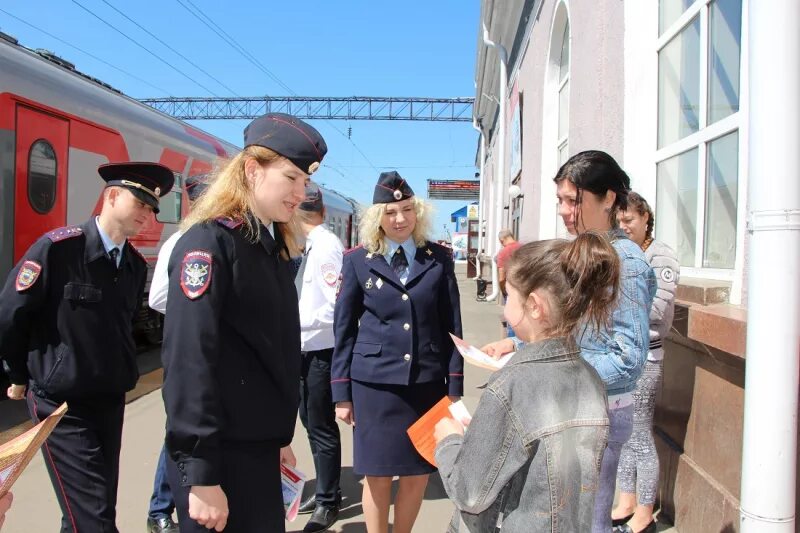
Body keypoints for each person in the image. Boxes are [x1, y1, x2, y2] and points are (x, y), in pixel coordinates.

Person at [160, 112, 326, 533]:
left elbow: (264, 354)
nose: (300, 193)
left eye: (305, 183)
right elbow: (189, 361)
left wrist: (279, 438)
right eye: (291, 178)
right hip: (221, 461)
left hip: (256, 448)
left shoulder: (267, 247)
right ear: (252, 170)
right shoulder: (210, 245)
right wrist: (202, 475)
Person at [482, 150, 656, 533]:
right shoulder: (589, 249)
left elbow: (627, 358)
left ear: (608, 199)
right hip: (578, 406)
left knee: (585, 521)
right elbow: (577, 335)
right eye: (560, 199)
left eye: (573, 201)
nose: (563, 210)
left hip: (601, 411)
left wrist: (553, 373)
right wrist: (521, 348)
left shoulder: (625, 263)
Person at [0, 162, 174, 532]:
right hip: (62, 404)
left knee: (92, 510)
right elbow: (10, 316)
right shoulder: (57, 250)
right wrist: (16, 373)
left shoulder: (133, 265)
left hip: (109, 400)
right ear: (112, 196)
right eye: (141, 204)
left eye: (152, 209)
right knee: (93, 518)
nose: (148, 215)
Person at [434, 232, 620, 531]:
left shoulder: (511, 385)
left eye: (509, 295)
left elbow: (469, 493)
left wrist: (449, 440)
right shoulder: (591, 378)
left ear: (534, 305)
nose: (505, 307)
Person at [331, 171, 463, 533]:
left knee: (419, 473)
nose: (400, 219)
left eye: (407, 209)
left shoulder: (438, 258)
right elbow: (343, 330)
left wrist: (454, 390)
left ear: (417, 212)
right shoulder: (358, 260)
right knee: (377, 474)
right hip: (374, 387)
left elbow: (452, 326)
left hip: (427, 384)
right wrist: (341, 394)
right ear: (377, 217)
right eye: (390, 212)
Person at [145, 173, 209, 533]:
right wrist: (195, 313)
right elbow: (157, 298)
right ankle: (159, 508)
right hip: (187, 353)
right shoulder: (181, 242)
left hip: (212, 356)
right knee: (179, 431)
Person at [612, 192, 679, 533]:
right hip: (622, 354)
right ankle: (625, 500)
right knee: (623, 431)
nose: (624, 227)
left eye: (630, 221)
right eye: (619, 222)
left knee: (639, 433)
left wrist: (612, 304)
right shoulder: (625, 254)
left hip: (648, 354)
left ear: (646, 218)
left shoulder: (660, 255)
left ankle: (645, 511)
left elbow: (656, 310)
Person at [293, 182, 344, 532]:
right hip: (302, 347)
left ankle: (328, 500)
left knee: (321, 427)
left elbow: (332, 307)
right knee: (311, 424)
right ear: (323, 212)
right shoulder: (307, 244)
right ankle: (326, 488)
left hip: (319, 349)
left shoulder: (325, 247)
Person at [496, 229, 521, 337]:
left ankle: (512, 346)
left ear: (502, 240)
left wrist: (504, 291)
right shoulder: (524, 248)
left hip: (511, 290)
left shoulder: (503, 253)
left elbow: (501, 278)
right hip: (526, 289)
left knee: (512, 319)